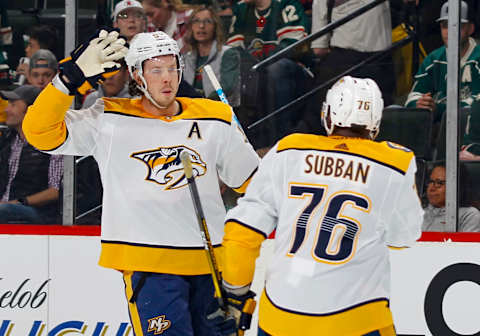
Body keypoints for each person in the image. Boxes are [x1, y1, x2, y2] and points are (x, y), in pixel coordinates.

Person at [23, 29, 259, 335]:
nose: (167, 78)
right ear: (137, 75)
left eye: (172, 68)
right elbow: (39, 132)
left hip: (213, 265)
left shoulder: (215, 118)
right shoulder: (107, 118)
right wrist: (67, 80)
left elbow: (254, 184)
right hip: (150, 265)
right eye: (156, 70)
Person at [218, 76, 424, 335]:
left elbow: (242, 231)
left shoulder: (288, 150)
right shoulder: (394, 162)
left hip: (281, 319)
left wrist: (235, 295)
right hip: (356, 320)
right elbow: (404, 237)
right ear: (376, 123)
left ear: (327, 115)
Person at [226, 0, 310, 142]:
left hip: (294, 72)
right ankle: (242, 140)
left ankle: (281, 139)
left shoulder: (287, 4)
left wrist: (258, 66)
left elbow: (295, 47)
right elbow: (233, 51)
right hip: (255, 72)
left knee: (276, 68)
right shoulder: (241, 9)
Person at [405, 1, 480, 122]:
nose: (450, 31)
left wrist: (438, 109)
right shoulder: (433, 59)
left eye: (456, 25)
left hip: (468, 131)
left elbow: (477, 105)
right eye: (445, 25)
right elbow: (412, 97)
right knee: (395, 109)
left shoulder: (478, 58)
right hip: (435, 126)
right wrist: (420, 103)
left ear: (470, 28)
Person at [0, 85, 63, 224]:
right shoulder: (7, 140)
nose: (6, 109)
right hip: (6, 207)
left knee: (4, 210)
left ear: (30, 109)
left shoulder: (51, 143)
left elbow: (55, 191)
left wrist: (20, 202)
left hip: (37, 211)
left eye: (13, 105)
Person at [183, 7, 241, 106]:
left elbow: (227, 88)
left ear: (215, 26)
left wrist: (203, 104)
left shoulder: (228, 53)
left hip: (221, 111)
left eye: (207, 21)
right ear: (191, 26)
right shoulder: (187, 57)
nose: (201, 26)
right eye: (196, 21)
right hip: (191, 110)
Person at [422, 161, 480, 232]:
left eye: (439, 183)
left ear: (456, 186)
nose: (431, 188)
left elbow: (465, 243)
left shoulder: (469, 215)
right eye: (430, 182)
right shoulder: (419, 213)